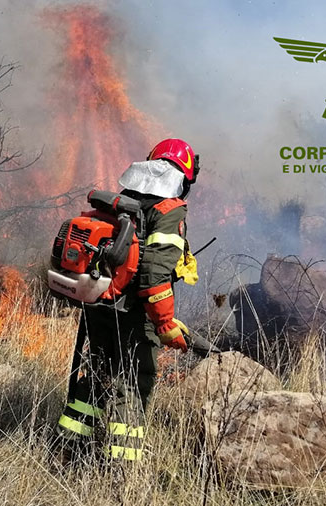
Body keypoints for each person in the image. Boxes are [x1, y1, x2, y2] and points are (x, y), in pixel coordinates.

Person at [55, 138, 204, 463]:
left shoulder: (121, 199)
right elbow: (153, 276)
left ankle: (68, 447)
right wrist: (165, 324)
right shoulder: (168, 210)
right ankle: (121, 468)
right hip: (136, 314)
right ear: (185, 176)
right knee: (133, 384)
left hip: (101, 303)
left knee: (97, 371)